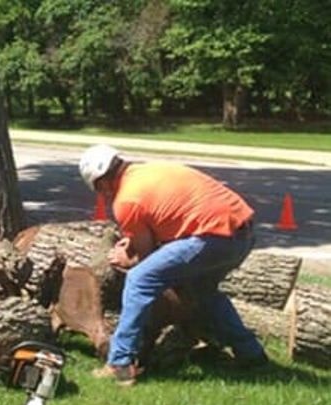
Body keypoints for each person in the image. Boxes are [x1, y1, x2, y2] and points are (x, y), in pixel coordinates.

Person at [78, 144, 268, 387]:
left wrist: (129, 260)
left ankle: (120, 365)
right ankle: (252, 356)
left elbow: (145, 256)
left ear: (101, 182)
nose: (102, 194)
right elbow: (167, 219)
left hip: (212, 237)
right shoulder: (150, 171)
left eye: (98, 189)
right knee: (203, 291)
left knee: (139, 280)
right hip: (243, 233)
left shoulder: (126, 200)